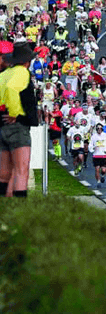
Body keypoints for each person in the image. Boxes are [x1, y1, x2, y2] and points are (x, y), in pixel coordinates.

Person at [0, 42, 38, 198]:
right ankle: (18, 208)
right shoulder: (22, 73)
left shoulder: (3, 74)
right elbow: (12, 89)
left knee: (4, 173)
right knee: (21, 170)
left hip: (2, 124)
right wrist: (15, 112)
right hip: (17, 124)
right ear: (27, 61)